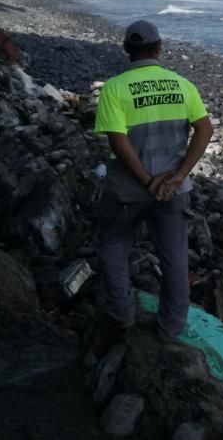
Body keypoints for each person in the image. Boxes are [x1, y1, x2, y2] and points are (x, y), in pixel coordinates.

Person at [91, 20, 213, 355]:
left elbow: (118, 142)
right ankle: (170, 329)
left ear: (127, 51)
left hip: (128, 192)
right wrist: (176, 177)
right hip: (174, 191)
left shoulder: (115, 88)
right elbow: (205, 130)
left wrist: (146, 181)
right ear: (159, 48)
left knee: (113, 244)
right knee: (174, 258)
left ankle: (121, 314)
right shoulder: (182, 85)